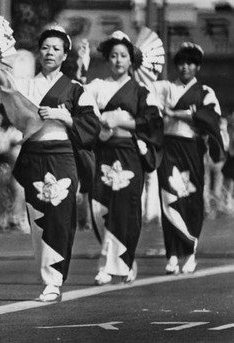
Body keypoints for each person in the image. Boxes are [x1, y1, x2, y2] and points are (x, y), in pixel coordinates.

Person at [0, 26, 100, 301]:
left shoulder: (75, 89)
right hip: (34, 155)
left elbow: (92, 124)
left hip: (62, 155)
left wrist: (66, 117)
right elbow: (8, 92)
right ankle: (46, 274)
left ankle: (54, 279)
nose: (50, 53)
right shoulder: (28, 84)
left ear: (65, 55)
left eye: (56, 49)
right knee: (38, 218)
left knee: (60, 217)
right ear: (40, 52)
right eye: (46, 47)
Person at [85, 31, 163, 285]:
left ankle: (117, 263)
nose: (118, 60)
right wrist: (101, 123)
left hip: (129, 154)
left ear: (132, 60)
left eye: (123, 56)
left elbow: (153, 122)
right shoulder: (97, 86)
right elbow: (80, 110)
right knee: (101, 208)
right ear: (107, 58)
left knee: (126, 210)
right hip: (104, 153)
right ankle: (114, 260)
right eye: (114, 55)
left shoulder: (141, 91)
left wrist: (126, 121)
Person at [150, 42, 223, 274]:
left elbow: (210, 117)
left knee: (191, 199)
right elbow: (143, 93)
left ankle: (190, 251)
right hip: (169, 148)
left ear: (197, 67)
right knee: (169, 198)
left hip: (192, 149)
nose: (185, 67)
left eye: (190, 63)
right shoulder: (164, 87)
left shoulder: (205, 92)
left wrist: (178, 113)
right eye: (181, 63)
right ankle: (171, 254)